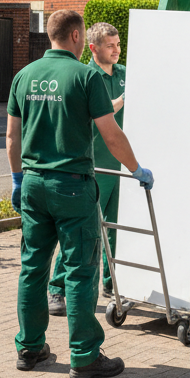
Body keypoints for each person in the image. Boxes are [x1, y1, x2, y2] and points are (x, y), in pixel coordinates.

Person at [8, 10, 153, 378]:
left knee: (33, 268)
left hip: (35, 185)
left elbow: (12, 137)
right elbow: (111, 135)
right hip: (72, 186)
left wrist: (17, 180)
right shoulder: (87, 76)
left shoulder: (24, 76)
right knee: (81, 270)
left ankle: (29, 347)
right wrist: (136, 169)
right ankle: (85, 356)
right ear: (76, 36)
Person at [47, 22, 126, 315]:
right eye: (110, 45)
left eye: (118, 44)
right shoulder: (84, 78)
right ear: (92, 48)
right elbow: (86, 120)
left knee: (117, 229)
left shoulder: (126, 74)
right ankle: (57, 289)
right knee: (80, 233)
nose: (116, 50)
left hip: (121, 167)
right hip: (93, 168)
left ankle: (111, 283)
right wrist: (116, 104)